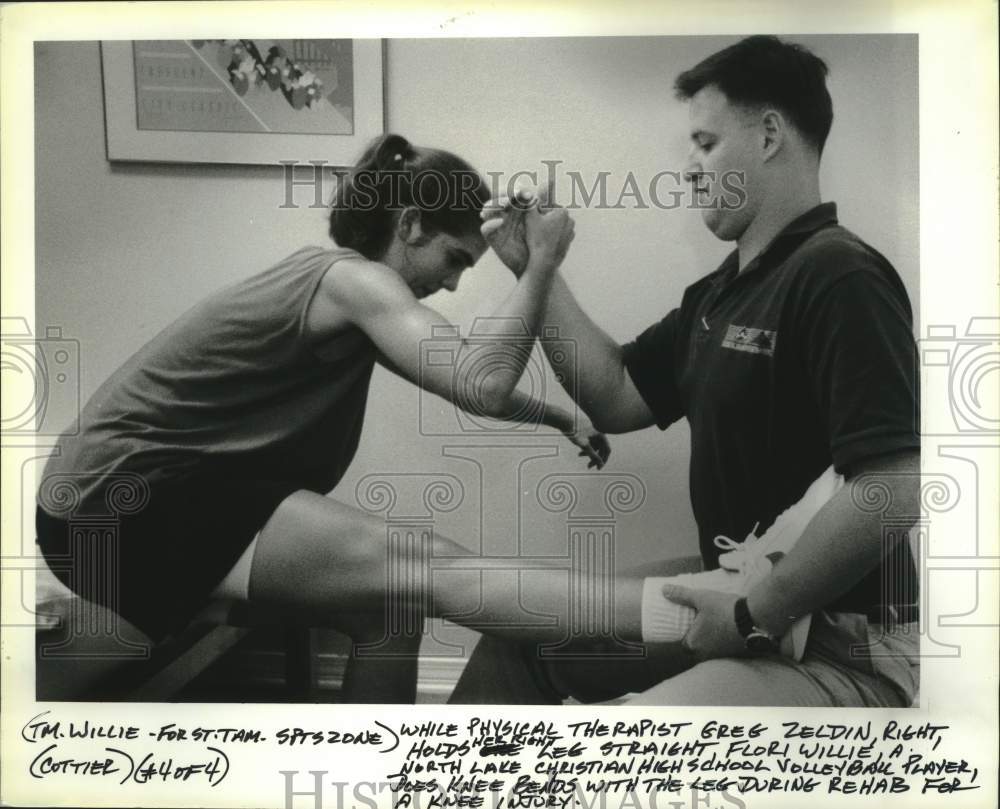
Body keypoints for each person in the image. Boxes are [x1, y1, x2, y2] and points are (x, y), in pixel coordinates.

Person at [35, 133, 609, 702]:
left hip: (106, 511)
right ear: (410, 226)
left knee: (390, 614)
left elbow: (465, 376)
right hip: (115, 504)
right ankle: (651, 615)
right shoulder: (354, 282)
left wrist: (559, 417)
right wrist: (540, 264)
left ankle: (363, 784)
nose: (453, 282)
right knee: (419, 568)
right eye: (454, 258)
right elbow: (481, 382)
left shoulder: (353, 293)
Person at [450, 35, 921, 706]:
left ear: (767, 136)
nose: (690, 169)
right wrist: (537, 269)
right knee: (519, 635)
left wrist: (752, 614)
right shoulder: (722, 293)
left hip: (841, 644)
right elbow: (613, 394)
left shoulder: (838, 272)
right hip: (732, 591)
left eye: (704, 144)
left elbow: (895, 488)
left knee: (624, 749)